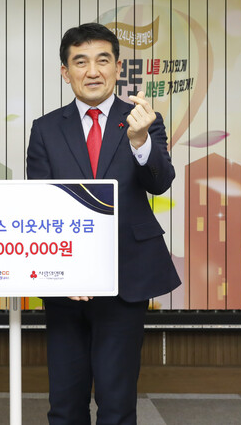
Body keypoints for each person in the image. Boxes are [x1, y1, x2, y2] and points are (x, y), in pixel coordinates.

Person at [26, 23, 181, 424]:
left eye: (102, 60)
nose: (92, 71)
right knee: (65, 402)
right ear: (66, 72)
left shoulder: (143, 120)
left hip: (127, 273)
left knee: (117, 402)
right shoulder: (45, 128)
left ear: (117, 67)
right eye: (81, 62)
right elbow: (41, 204)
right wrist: (64, 270)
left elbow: (160, 182)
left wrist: (140, 140)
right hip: (65, 281)